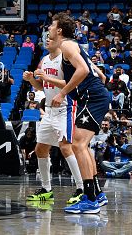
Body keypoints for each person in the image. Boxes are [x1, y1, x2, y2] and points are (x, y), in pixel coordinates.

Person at [49, 13, 110, 214]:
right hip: (93, 96)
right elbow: (98, 73)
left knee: (78, 144)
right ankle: (97, 194)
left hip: (91, 97)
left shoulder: (66, 45)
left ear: (59, 30)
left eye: (52, 25)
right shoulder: (73, 46)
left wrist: (63, 94)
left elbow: (83, 70)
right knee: (83, 146)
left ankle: (90, 199)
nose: (49, 28)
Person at [23, 37, 84, 206]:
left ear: (60, 42)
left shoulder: (65, 58)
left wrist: (47, 78)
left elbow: (71, 82)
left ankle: (81, 189)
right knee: (40, 149)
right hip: (49, 110)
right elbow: (41, 87)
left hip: (65, 108)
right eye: (46, 39)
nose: (47, 40)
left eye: (50, 39)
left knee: (65, 147)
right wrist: (31, 80)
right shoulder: (43, 60)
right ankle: (46, 189)